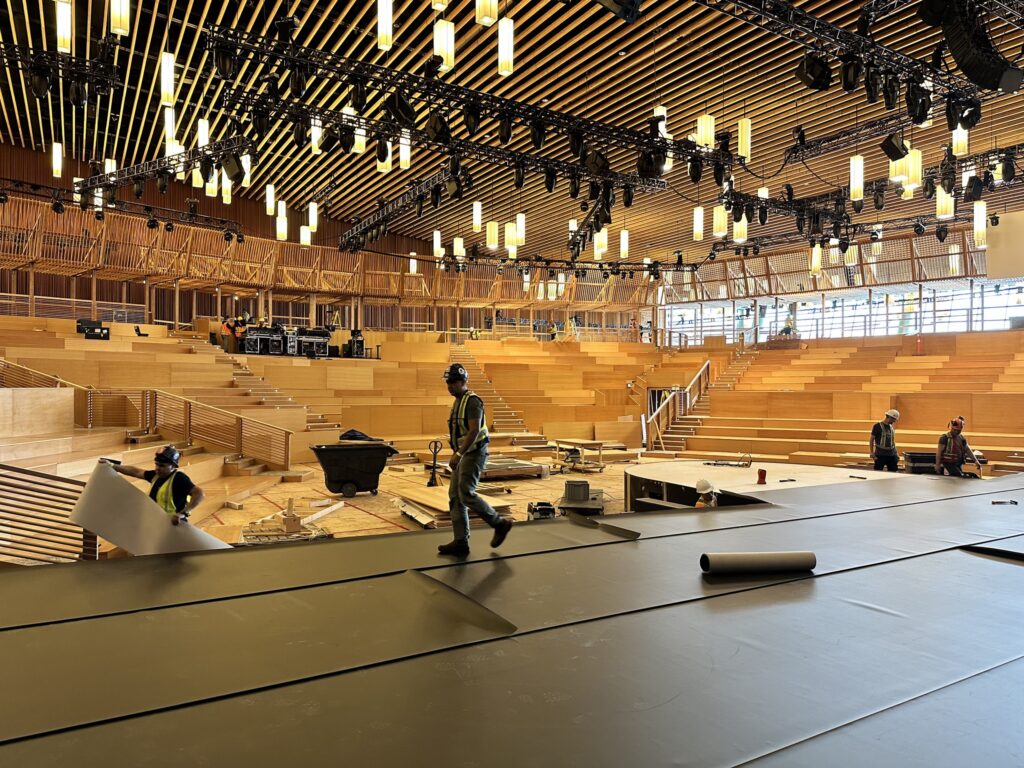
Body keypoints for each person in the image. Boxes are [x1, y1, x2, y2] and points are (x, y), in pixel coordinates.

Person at [438, 363, 512, 557]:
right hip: (462, 453)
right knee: (455, 497)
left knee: (465, 493)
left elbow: (474, 431)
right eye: (448, 382)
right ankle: (461, 542)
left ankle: (499, 523)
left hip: (473, 453)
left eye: (453, 382)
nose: (450, 385)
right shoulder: (458, 402)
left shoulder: (473, 401)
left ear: (464, 381)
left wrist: (459, 454)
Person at [106, 446, 205, 524]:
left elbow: (199, 493)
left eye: (162, 465)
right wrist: (113, 466)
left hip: (174, 525)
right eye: (156, 464)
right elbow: (135, 472)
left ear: (173, 466)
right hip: (158, 523)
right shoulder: (155, 475)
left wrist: (182, 513)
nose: (157, 468)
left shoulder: (179, 479)